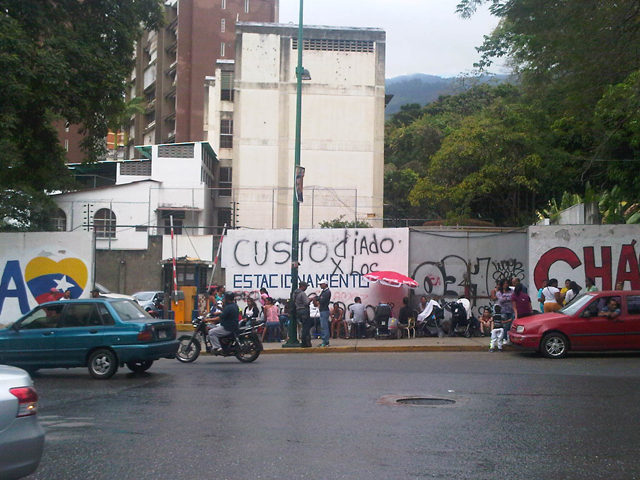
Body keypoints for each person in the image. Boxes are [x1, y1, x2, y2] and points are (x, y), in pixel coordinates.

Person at [293, 281, 313, 347]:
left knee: (303, 326)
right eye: (306, 286)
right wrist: (310, 299)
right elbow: (306, 303)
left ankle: (305, 340)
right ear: (303, 286)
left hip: (298, 311)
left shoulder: (295, 293)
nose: (306, 288)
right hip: (304, 311)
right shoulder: (302, 294)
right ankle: (304, 342)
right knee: (306, 327)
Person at [496, 279, 514, 343]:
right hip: (503, 310)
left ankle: (509, 338)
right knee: (505, 325)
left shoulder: (511, 291)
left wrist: (506, 298)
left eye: (506, 283)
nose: (505, 285)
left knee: (510, 324)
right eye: (504, 284)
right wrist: (507, 298)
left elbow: (512, 297)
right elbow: (501, 300)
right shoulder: (499, 292)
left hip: (511, 310)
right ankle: (504, 338)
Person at [317, 281, 331, 347]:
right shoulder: (324, 292)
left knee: (324, 326)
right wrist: (319, 298)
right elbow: (319, 298)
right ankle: (325, 340)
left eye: (321, 284)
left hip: (324, 310)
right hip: (322, 310)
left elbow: (321, 300)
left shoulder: (327, 292)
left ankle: (325, 341)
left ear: (325, 284)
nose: (320, 285)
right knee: (323, 326)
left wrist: (319, 298)